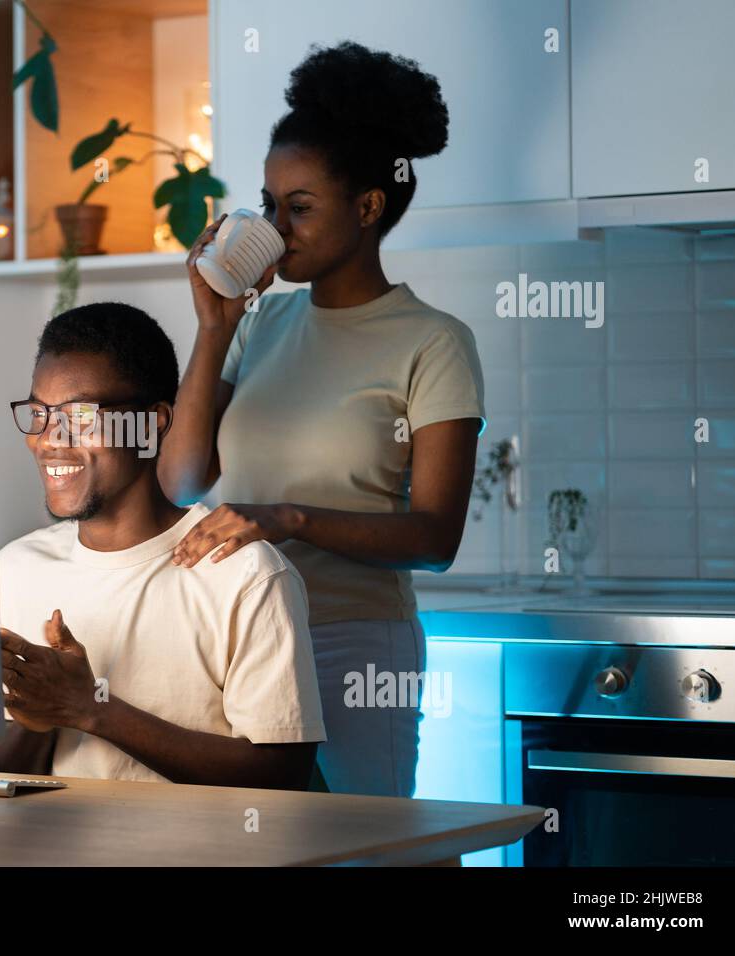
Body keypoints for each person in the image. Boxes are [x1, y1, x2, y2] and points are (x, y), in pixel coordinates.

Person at [158, 41, 485, 797]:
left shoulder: (433, 341)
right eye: (269, 206)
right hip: (236, 635)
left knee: (360, 847)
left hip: (357, 643)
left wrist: (289, 516)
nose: (276, 228)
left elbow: (435, 538)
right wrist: (213, 325)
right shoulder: (256, 325)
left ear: (369, 207)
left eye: (299, 209)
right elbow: (179, 479)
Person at [0, 302, 324, 790]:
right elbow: (2, 770)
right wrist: (42, 714)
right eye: (39, 413)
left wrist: (92, 709)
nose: (49, 440)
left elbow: (282, 778)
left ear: (153, 422)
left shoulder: (246, 574)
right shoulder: (14, 567)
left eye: (78, 414)